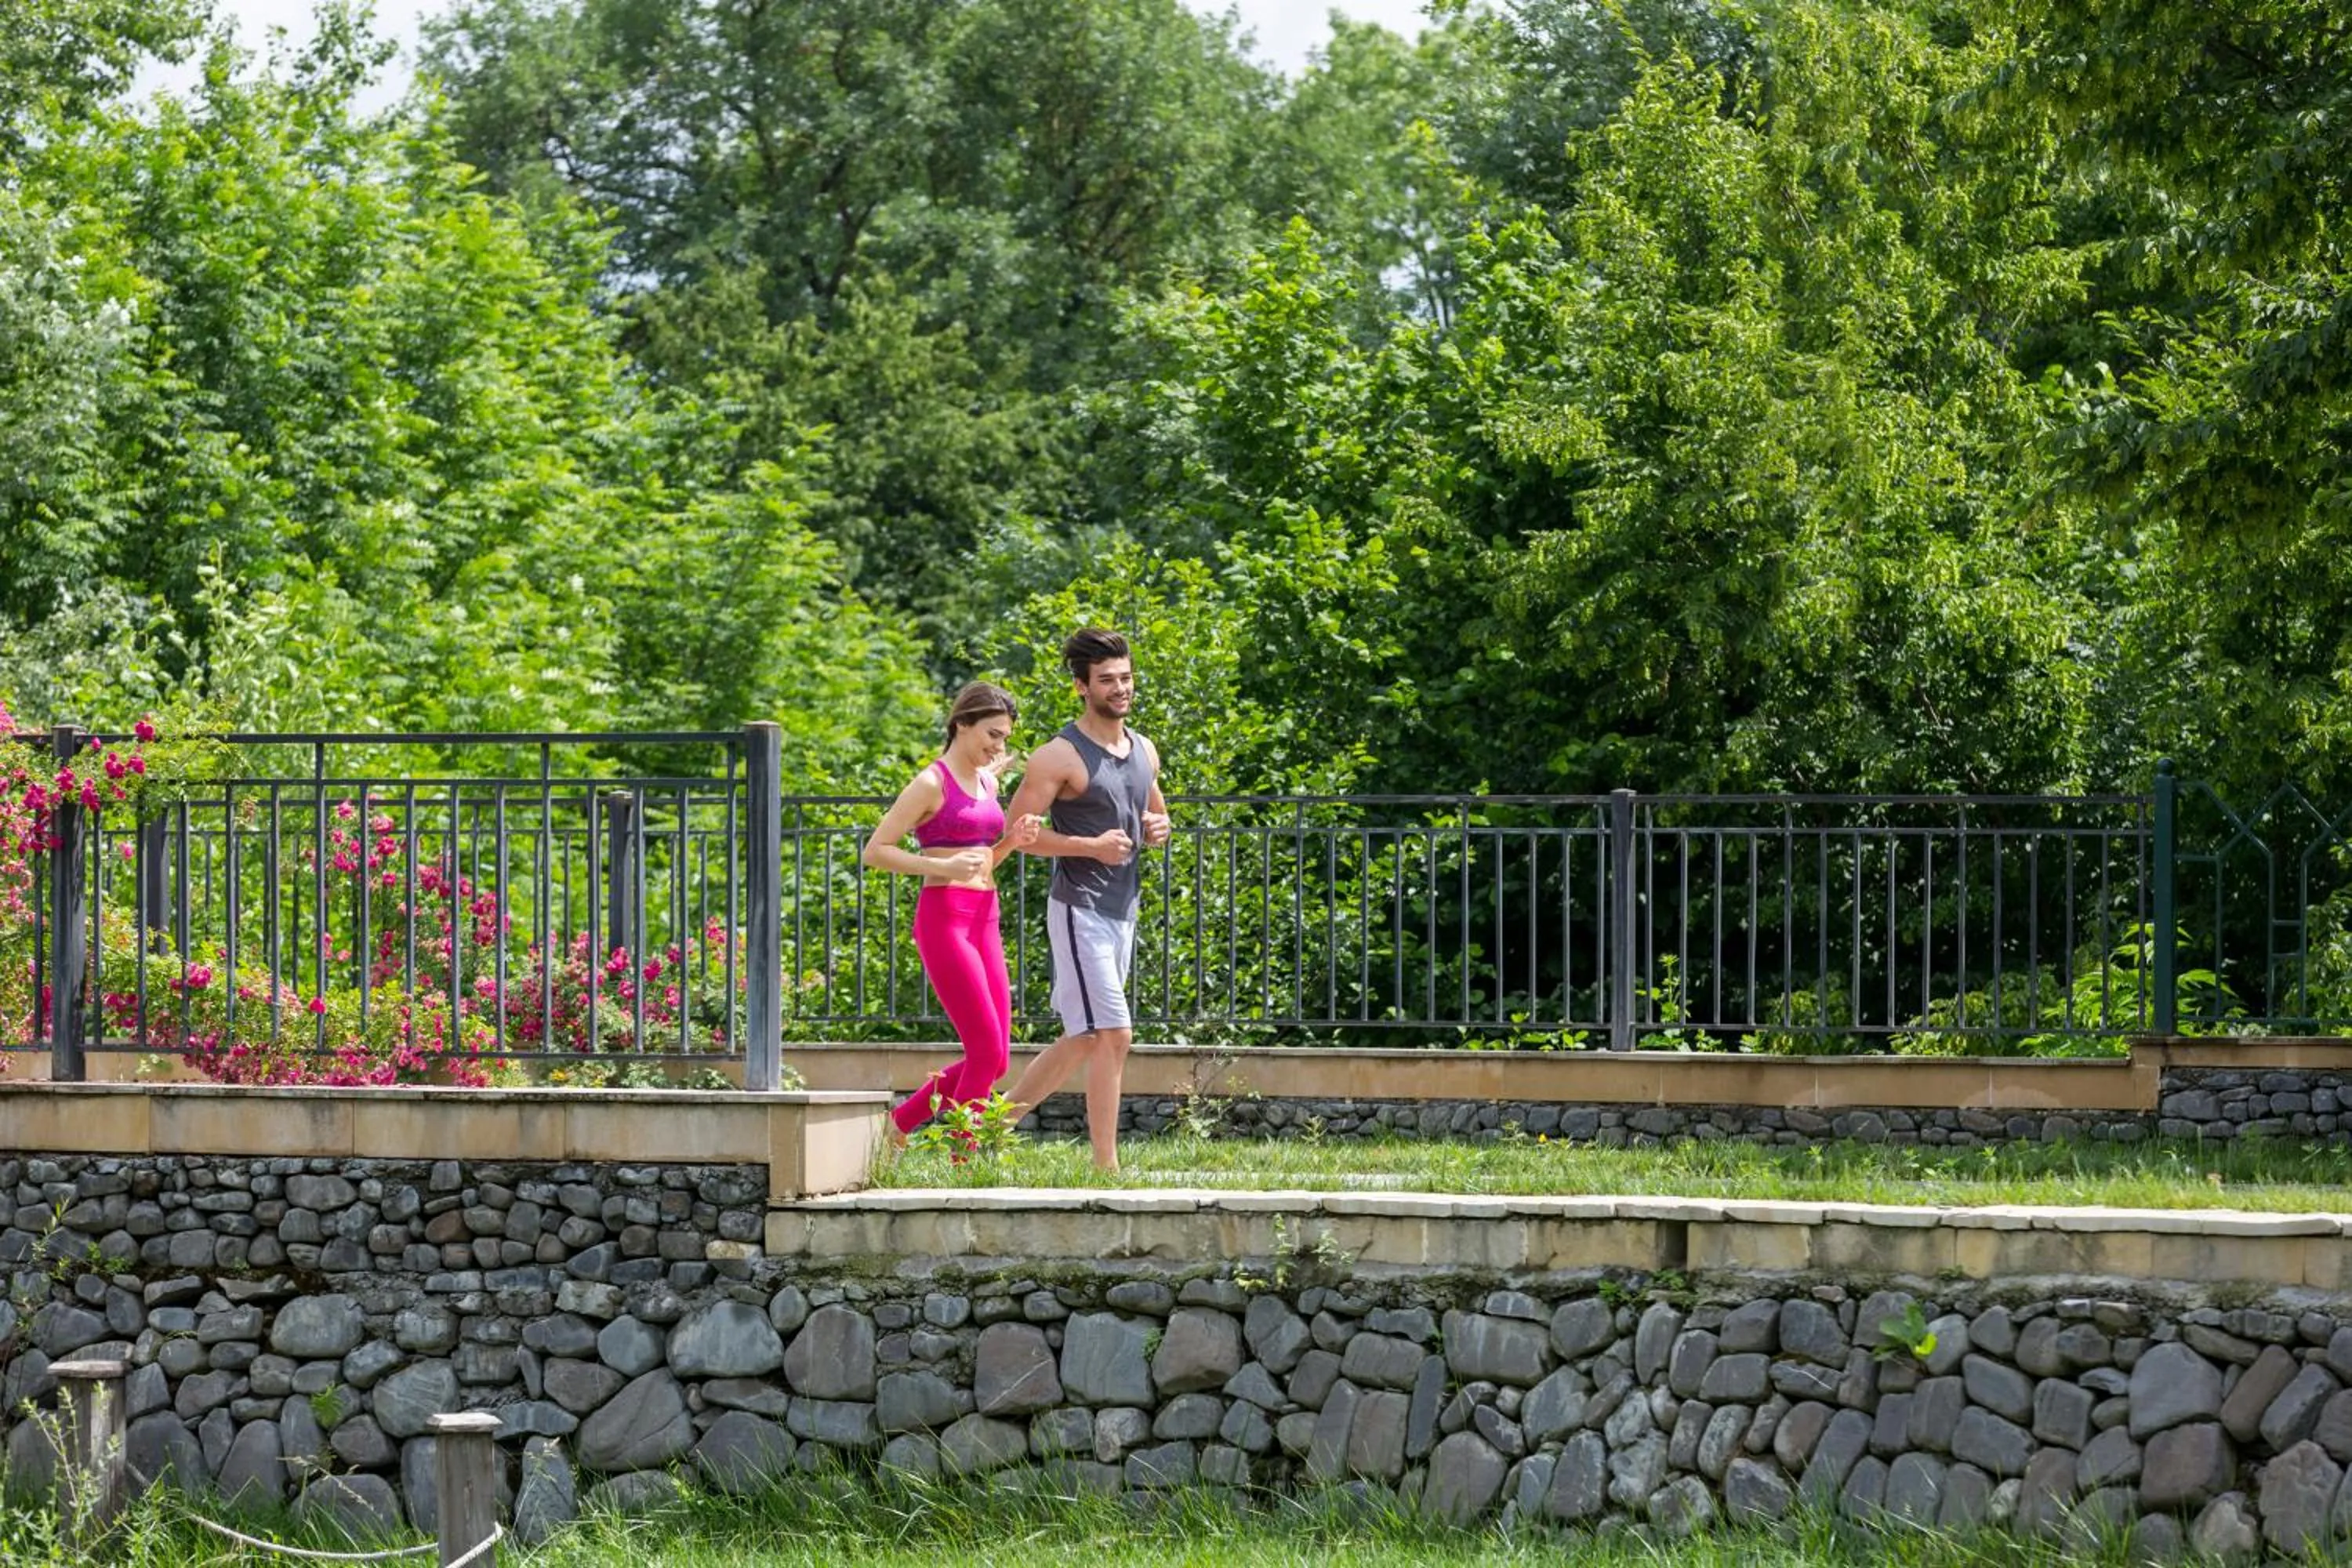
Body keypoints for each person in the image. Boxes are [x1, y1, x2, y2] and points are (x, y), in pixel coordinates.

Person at [1000, 627, 1171, 1170]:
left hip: (1124, 908)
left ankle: (980, 1133)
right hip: (1079, 906)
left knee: (1081, 1039)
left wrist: (1159, 826)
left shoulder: (1144, 748)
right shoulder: (1058, 755)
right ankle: (1107, 1167)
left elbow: (1154, 812)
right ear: (1081, 686)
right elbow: (1015, 834)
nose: (1120, 689)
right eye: (1107, 681)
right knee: (1113, 1033)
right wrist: (1088, 847)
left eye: (1126, 678)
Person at [861, 682, 1040, 1145]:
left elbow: (982, 862)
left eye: (1004, 737)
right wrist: (940, 865)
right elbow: (875, 851)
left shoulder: (988, 780)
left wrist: (1012, 842)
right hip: (946, 919)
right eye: (992, 734)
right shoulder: (930, 782)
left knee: (997, 1057)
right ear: (962, 724)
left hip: (986, 915)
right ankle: (967, 1156)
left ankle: (897, 1126)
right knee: (982, 1051)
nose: (999, 746)